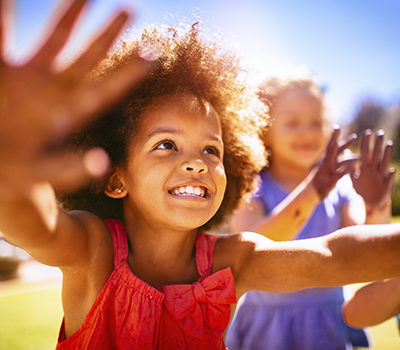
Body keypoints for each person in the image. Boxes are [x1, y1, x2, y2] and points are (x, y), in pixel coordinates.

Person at [1, 1, 400, 349]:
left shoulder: (233, 261)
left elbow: (334, 255)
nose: (197, 163)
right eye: (166, 145)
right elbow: (33, 225)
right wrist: (11, 166)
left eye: (212, 150)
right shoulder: (92, 250)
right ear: (115, 178)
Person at [225, 77, 395, 350]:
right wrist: (312, 191)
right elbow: (251, 245)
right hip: (266, 328)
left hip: (327, 325)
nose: (306, 131)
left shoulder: (341, 187)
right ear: (266, 130)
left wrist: (377, 205)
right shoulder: (252, 186)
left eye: (317, 123)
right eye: (292, 123)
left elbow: (363, 250)